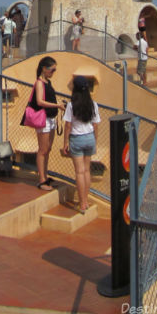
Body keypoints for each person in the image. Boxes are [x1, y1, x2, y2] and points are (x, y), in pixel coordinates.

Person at [61, 76, 100, 214]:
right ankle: (86, 201)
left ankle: (82, 202)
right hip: (89, 138)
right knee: (87, 170)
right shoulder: (93, 104)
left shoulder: (71, 105)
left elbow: (68, 125)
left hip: (76, 139)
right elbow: (95, 125)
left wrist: (65, 142)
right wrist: (95, 139)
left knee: (79, 171)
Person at [29, 56, 65, 190]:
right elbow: (39, 101)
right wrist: (57, 106)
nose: (53, 72)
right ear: (44, 68)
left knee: (48, 149)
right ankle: (41, 180)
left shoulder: (47, 82)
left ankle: (45, 174)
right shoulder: (39, 83)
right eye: (52, 69)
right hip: (43, 119)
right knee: (42, 150)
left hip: (50, 119)